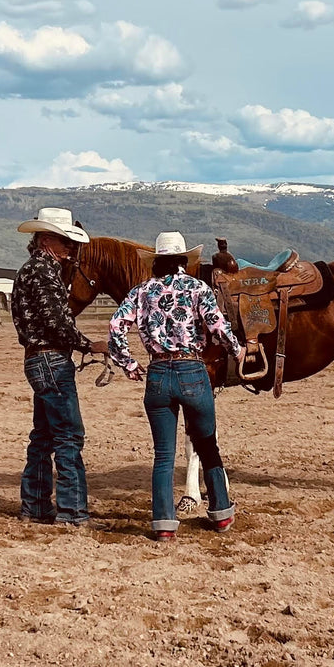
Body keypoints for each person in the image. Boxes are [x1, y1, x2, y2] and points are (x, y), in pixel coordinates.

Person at [109, 231, 245, 542]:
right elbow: (216, 325)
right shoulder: (198, 287)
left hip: (157, 372)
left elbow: (116, 325)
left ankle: (164, 523)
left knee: (163, 454)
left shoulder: (141, 292)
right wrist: (237, 349)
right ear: (185, 261)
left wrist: (128, 363)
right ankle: (222, 514)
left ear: (156, 261)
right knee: (207, 444)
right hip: (192, 369)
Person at [12, 208, 108, 526]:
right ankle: (73, 511)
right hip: (52, 359)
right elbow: (57, 322)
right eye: (67, 245)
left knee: (43, 435)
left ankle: (36, 506)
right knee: (69, 436)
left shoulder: (30, 270)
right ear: (49, 240)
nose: (70, 253)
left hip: (36, 358)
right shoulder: (44, 272)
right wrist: (88, 345)